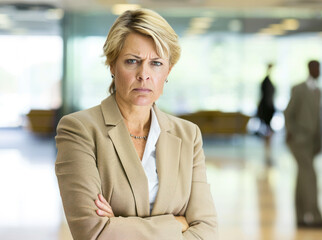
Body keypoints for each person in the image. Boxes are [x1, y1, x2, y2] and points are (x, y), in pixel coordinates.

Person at [55, 9, 218, 240]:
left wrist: (118, 225)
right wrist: (175, 223)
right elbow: (92, 232)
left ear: (168, 70)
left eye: (156, 63)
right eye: (132, 61)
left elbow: (207, 231)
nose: (144, 74)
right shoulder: (79, 130)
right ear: (112, 65)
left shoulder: (188, 135)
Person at [284, 60, 322, 229]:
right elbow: (288, 112)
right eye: (316, 68)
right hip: (299, 141)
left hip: (312, 142)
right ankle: (315, 217)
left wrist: (319, 141)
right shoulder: (299, 89)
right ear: (310, 69)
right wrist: (292, 132)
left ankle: (300, 217)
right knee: (310, 177)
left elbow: (318, 119)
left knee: (303, 177)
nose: (319, 71)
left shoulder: (318, 91)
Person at [256, 63, 275, 165]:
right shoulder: (266, 81)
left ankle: (268, 152)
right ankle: (267, 153)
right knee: (267, 131)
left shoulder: (267, 81)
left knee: (268, 131)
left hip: (268, 108)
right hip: (266, 109)